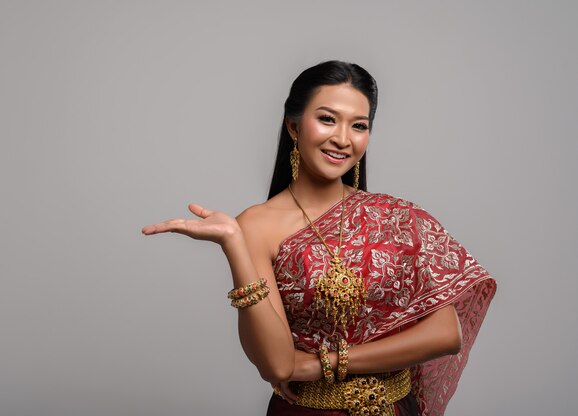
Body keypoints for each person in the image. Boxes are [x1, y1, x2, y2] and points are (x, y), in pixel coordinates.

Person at [142, 60, 496, 416]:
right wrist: (233, 241)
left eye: (359, 125)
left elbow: (446, 334)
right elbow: (278, 366)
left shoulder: (398, 217)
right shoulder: (255, 226)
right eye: (327, 119)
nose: (342, 139)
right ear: (294, 126)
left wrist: (321, 363)